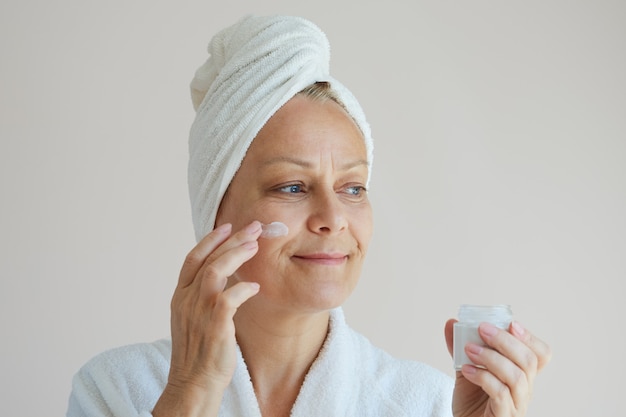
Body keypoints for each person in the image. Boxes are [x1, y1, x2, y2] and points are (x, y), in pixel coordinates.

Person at [66, 14, 551, 417]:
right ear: (216, 214)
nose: (333, 217)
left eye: (353, 188)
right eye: (292, 187)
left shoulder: (426, 403)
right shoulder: (118, 390)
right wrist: (191, 390)